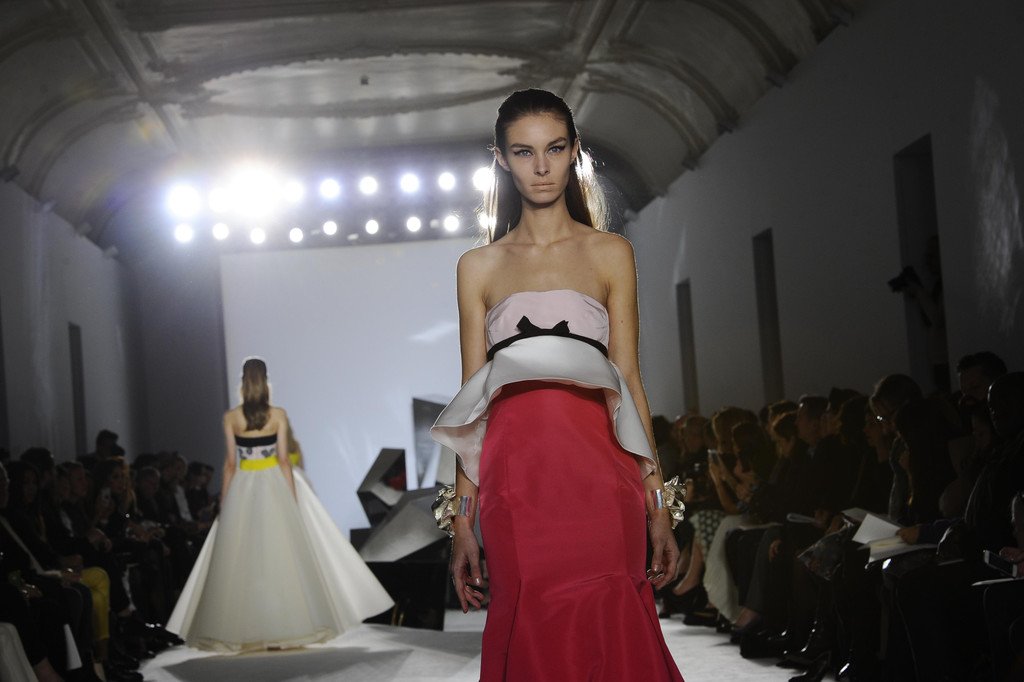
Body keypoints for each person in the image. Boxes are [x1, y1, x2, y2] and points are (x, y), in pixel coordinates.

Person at [431, 88, 682, 681]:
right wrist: (463, 519)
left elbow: (629, 380)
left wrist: (658, 504)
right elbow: (472, 400)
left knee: (610, 615)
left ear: (575, 152)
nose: (541, 167)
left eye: (555, 148)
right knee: (531, 618)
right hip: (515, 481)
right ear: (501, 159)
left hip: (602, 472)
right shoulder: (478, 266)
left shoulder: (610, 253)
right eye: (524, 152)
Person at [167, 358, 392, 652]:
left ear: (243, 381)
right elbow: (284, 460)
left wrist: (224, 502)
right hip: (273, 484)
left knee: (243, 558)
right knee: (280, 555)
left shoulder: (231, 417)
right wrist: (291, 499)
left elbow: (230, 465)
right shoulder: (278, 415)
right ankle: (286, 627)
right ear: (265, 381)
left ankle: (245, 632)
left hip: (243, 487)